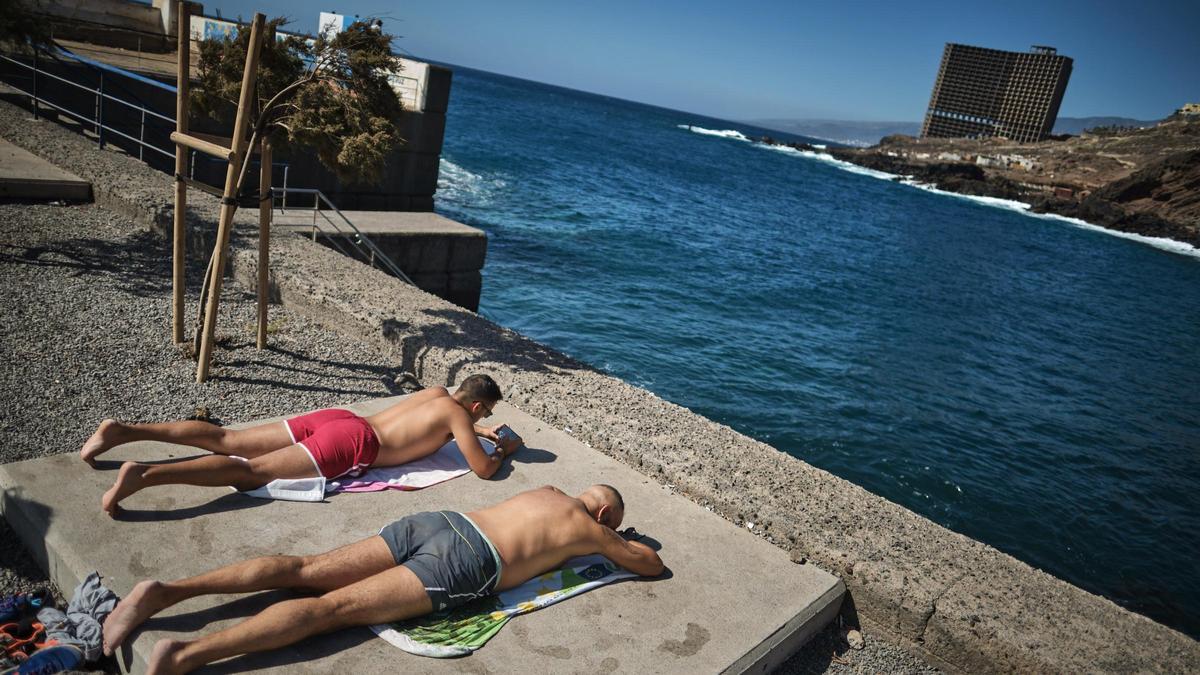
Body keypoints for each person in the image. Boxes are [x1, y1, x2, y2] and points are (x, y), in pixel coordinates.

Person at [102, 484, 663, 673]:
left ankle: (166, 592)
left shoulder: (549, 494)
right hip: (467, 561)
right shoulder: (592, 528)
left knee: (306, 570)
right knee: (333, 611)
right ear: (605, 515)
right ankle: (188, 655)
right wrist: (620, 536)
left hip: (442, 521)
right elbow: (648, 564)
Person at [83, 375, 523, 516]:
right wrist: (502, 449)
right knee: (249, 472)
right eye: (482, 415)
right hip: (355, 443)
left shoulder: (438, 394)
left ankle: (123, 431)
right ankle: (144, 475)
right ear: (478, 405)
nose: (479, 421)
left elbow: (439, 422)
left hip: (341, 420)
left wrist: (475, 430)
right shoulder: (457, 416)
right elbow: (483, 470)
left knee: (227, 439)